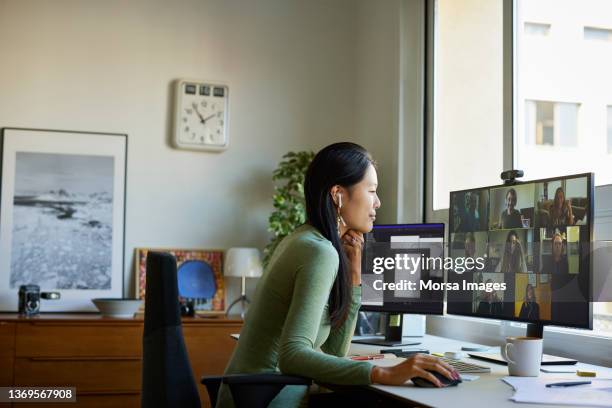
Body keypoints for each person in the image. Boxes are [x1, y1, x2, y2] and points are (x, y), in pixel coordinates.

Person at [216, 143, 458, 408]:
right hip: (264, 401)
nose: (378, 202)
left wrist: (354, 273)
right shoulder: (318, 251)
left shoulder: (306, 239)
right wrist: (385, 372)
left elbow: (333, 353)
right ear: (338, 195)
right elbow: (293, 356)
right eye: (372, 191)